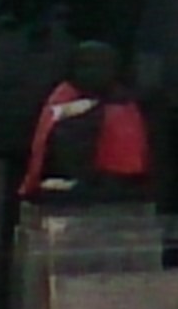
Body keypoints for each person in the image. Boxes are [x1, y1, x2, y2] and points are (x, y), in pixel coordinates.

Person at [19, 40, 155, 207]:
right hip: (68, 187)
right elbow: (52, 148)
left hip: (115, 187)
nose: (92, 72)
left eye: (101, 66)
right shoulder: (61, 102)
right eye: (85, 65)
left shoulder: (125, 104)